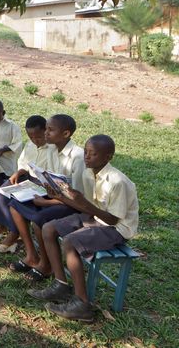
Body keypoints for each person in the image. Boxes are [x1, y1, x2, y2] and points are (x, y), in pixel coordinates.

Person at [28, 135, 138, 322]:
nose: (86, 157)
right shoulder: (88, 173)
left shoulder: (117, 182)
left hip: (117, 228)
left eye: (93, 154)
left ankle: (82, 304)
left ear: (108, 157)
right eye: (86, 152)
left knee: (71, 241)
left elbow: (111, 220)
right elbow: (85, 207)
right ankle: (61, 284)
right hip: (96, 218)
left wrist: (82, 203)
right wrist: (61, 197)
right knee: (48, 228)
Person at [8, 114, 86, 281]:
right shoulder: (54, 150)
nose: (46, 134)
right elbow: (52, 181)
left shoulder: (77, 157)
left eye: (50, 130)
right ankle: (31, 256)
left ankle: (46, 264)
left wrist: (47, 201)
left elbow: (78, 196)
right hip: (56, 196)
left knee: (39, 219)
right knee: (15, 204)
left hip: (75, 206)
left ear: (65, 134)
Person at [0, 115, 57, 253]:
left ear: (46, 131)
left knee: (17, 200)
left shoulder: (53, 149)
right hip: (28, 179)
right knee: (2, 192)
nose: (34, 141)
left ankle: (14, 234)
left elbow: (53, 175)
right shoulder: (31, 145)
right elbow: (23, 161)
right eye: (31, 137)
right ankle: (1, 226)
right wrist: (19, 171)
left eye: (38, 137)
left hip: (44, 186)